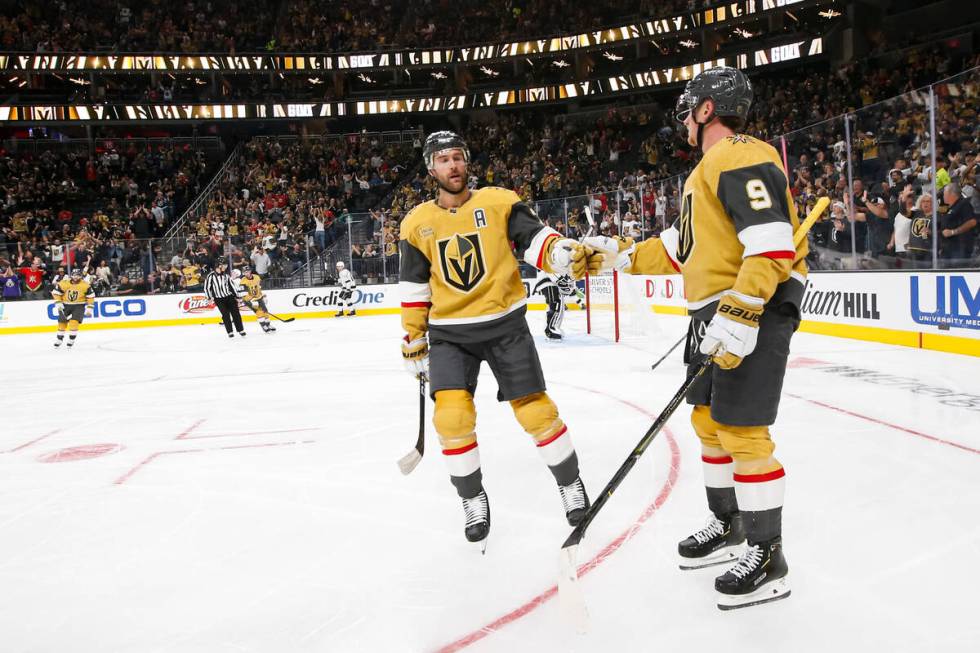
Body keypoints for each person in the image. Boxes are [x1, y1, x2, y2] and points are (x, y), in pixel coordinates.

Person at [585, 67, 802, 609]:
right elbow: (680, 249)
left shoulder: (740, 154)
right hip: (714, 310)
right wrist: (615, 255)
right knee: (708, 423)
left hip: (748, 308)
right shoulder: (704, 172)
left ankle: (767, 553)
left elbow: (773, 244)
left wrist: (744, 308)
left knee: (743, 431)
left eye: (689, 106)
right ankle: (728, 525)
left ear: (707, 109)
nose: (683, 117)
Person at [399, 130, 595, 550]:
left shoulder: (500, 201)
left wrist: (559, 252)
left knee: (537, 414)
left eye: (458, 157)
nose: (453, 166)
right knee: (451, 419)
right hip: (451, 335)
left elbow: (535, 240)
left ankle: (570, 484)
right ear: (430, 168)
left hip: (505, 325)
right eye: (443, 159)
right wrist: (413, 338)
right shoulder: (416, 224)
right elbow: (415, 286)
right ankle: (472, 499)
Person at [51, 267, 95, 348]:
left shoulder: (85, 285)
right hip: (65, 305)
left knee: (74, 322)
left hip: (79, 305)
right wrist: (58, 302)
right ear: (71, 275)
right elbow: (56, 293)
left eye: (78, 275)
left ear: (81, 276)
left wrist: (89, 308)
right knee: (62, 322)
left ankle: (71, 339)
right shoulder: (64, 283)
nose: (76, 277)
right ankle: (59, 339)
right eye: (74, 275)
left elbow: (90, 297)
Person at [204, 257, 245, 338]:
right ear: (219, 265)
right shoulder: (211, 276)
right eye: (224, 265)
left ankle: (240, 329)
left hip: (229, 297)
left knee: (236, 313)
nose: (226, 266)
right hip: (219, 299)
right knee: (225, 315)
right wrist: (209, 298)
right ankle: (230, 331)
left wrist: (237, 296)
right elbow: (207, 287)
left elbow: (231, 286)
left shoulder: (226, 275)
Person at [239, 266, 276, 333]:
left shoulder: (256, 277)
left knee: (265, 310)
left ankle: (268, 325)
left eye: (247, 271)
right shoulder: (243, 281)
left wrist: (262, 295)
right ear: (243, 273)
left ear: (250, 271)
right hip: (249, 300)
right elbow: (243, 294)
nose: (246, 273)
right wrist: (251, 300)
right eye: (245, 272)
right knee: (259, 312)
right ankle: (264, 326)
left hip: (258, 297)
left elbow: (259, 287)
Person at [532, 273, 565, 340]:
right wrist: (560, 280)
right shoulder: (553, 264)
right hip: (547, 283)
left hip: (549, 283)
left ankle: (550, 330)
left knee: (555, 306)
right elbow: (550, 271)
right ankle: (549, 331)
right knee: (554, 306)